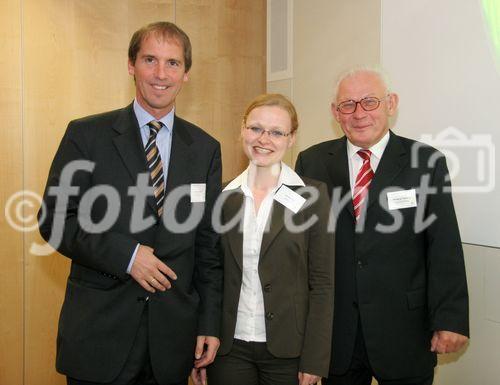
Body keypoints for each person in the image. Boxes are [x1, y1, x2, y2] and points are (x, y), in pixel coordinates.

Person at [38, 21, 222, 385]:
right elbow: (57, 219)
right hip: (99, 338)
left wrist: (209, 325)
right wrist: (128, 254)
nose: (160, 74)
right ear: (130, 65)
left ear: (186, 73)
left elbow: (208, 248)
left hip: (172, 343)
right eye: (149, 60)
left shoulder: (204, 149)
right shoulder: (86, 136)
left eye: (173, 63)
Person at [295, 68, 469, 385]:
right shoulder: (312, 163)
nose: (359, 113)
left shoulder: (426, 162)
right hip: (337, 337)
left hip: (405, 332)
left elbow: (443, 245)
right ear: (335, 112)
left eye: (369, 102)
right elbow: (300, 248)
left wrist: (451, 318)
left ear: (391, 103)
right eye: (348, 105)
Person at [197, 94, 334, 385]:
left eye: (276, 132)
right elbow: (209, 274)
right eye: (256, 128)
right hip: (228, 348)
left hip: (289, 352)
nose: (264, 139)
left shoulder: (314, 197)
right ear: (242, 129)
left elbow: (322, 283)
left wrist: (315, 359)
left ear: (291, 138)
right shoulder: (221, 197)